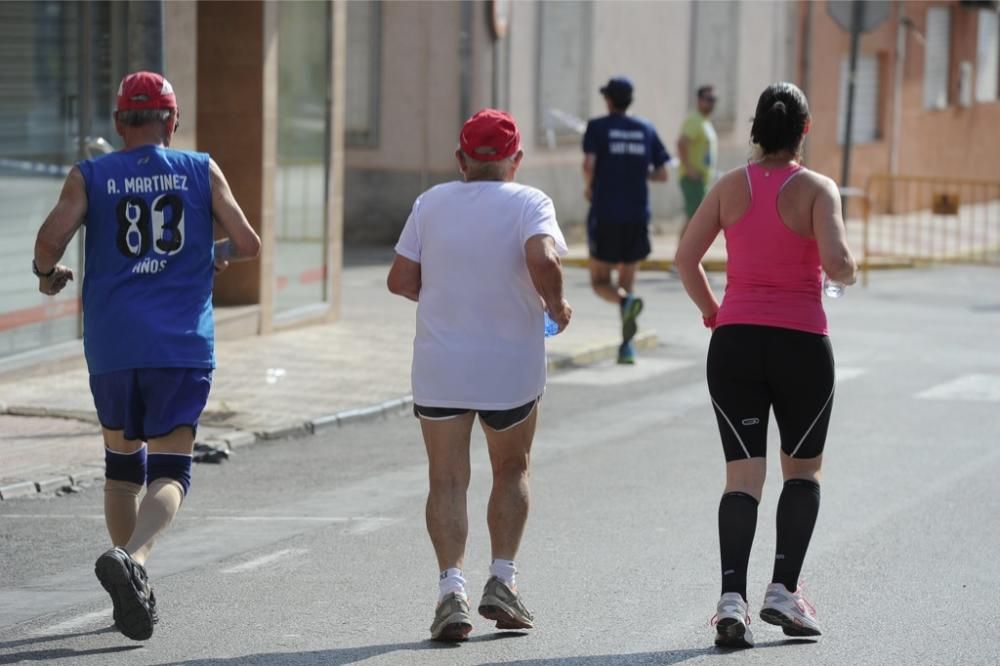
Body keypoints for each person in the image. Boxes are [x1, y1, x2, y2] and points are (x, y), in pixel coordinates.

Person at [32, 71, 261, 641]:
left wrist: (46, 275)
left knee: (120, 466)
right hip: (179, 344)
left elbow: (48, 241)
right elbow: (249, 242)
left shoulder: (90, 174)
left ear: (118, 123)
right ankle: (132, 559)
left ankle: (128, 583)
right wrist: (213, 252)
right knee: (171, 469)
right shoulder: (200, 169)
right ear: (173, 121)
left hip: (112, 344)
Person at [674, 82, 857, 649]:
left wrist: (713, 313)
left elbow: (686, 257)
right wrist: (845, 270)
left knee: (742, 478)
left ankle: (733, 601)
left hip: (736, 344)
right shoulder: (818, 189)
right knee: (801, 473)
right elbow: (838, 263)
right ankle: (783, 590)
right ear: (803, 131)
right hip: (801, 345)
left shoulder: (730, 186)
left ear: (756, 129)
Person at [387, 109, 571, 642]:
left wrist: (445, 294)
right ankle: (503, 581)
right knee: (511, 468)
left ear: (461, 160)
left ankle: (451, 593)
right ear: (516, 160)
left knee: (446, 477)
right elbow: (543, 258)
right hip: (509, 366)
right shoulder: (530, 201)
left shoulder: (431, 202)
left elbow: (401, 279)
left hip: (441, 365)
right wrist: (555, 306)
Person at [582, 76, 669, 364]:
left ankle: (624, 302)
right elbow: (663, 173)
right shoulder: (645, 128)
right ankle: (626, 347)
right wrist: (637, 172)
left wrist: (588, 186)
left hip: (605, 214)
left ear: (608, 100)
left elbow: (588, 165)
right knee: (628, 281)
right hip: (636, 215)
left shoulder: (597, 127)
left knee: (599, 282)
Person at [676, 85, 719, 239]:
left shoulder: (705, 122)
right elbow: (681, 143)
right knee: (693, 219)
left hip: (701, 180)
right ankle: (680, 259)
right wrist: (689, 169)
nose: (712, 103)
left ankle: (684, 258)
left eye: (714, 100)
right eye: (708, 99)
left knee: (695, 219)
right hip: (693, 179)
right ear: (699, 100)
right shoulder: (695, 120)